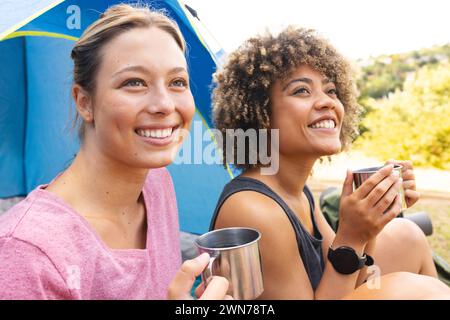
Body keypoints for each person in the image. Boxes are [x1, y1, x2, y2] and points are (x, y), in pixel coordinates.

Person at [0, 4, 230, 300]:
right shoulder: (28, 252)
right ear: (84, 102)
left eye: (177, 82)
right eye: (134, 83)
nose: (164, 104)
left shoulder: (156, 185)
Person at [211, 26, 450, 299]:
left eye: (331, 90)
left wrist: (371, 222)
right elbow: (344, 264)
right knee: (413, 289)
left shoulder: (296, 191)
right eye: (302, 90)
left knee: (406, 235)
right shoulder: (252, 209)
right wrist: (352, 237)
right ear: (260, 115)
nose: (326, 102)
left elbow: (349, 275)